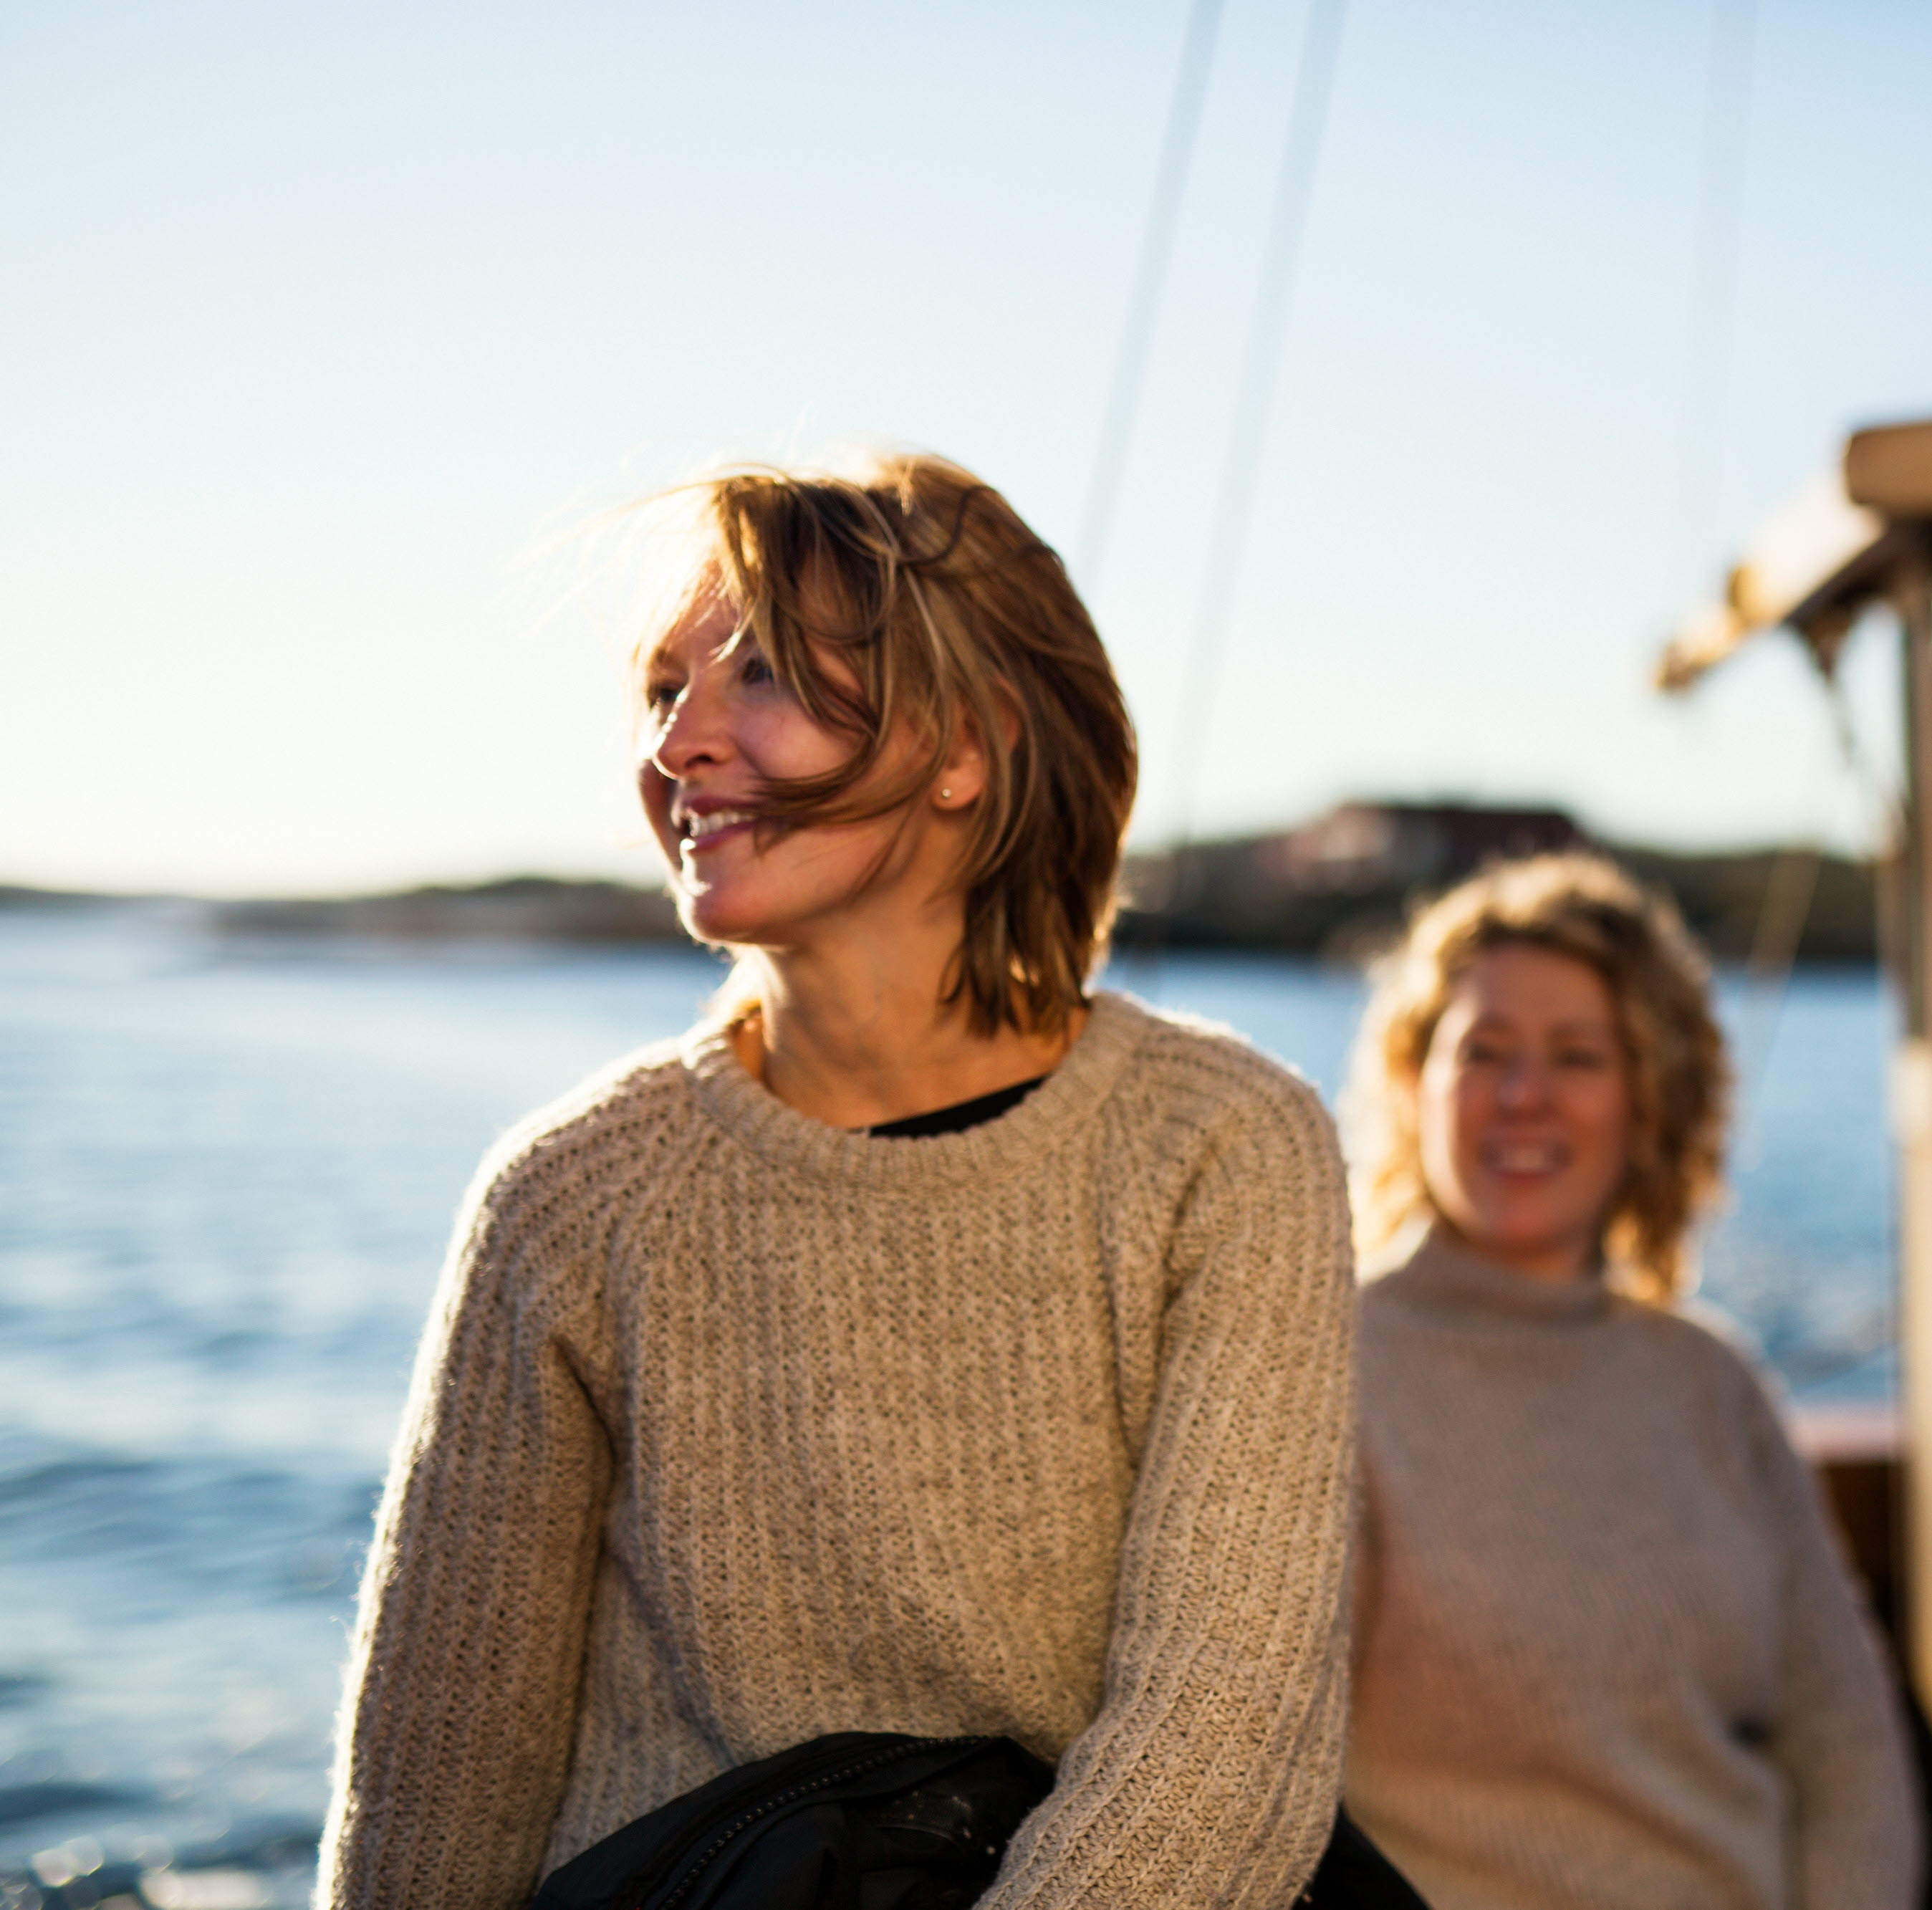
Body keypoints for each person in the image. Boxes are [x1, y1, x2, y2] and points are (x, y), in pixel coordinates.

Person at [315, 451, 1357, 1909]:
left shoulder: (1222, 1146)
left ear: (964, 743)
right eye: (662, 688)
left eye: (759, 674)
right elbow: (437, 1782)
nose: (681, 743)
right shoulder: (571, 1197)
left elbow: (1225, 1726)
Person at [1340, 850, 1921, 1910]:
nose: (1523, 1095)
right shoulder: (1316, 1367)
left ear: (1651, 1099)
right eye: (1484, 1050)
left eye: (1575, 1055)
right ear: (1410, 1079)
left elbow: (1849, 1756)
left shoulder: (1711, 1383)